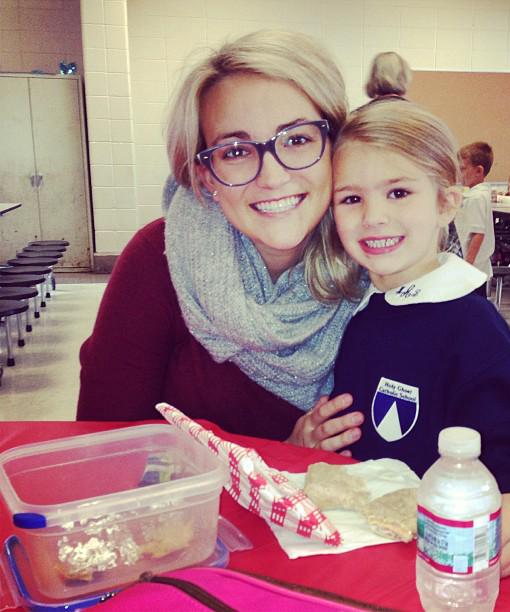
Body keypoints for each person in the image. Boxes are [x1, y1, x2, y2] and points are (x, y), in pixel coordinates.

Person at [76, 30, 363, 450]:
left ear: (335, 145)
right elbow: (102, 448)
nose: (272, 176)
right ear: (206, 175)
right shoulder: (156, 261)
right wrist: (283, 457)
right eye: (235, 151)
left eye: (298, 139)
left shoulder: (372, 257)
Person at [323, 100, 510, 577]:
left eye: (398, 192)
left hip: (426, 561)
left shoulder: (473, 329)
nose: (373, 216)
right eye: (351, 199)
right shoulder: (356, 309)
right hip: (355, 546)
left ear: (447, 203)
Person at [454, 142, 495, 297]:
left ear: (479, 171)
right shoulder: (478, 195)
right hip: (478, 267)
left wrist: (467, 265)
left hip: (473, 268)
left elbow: (478, 234)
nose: (460, 174)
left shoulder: (476, 198)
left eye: (463, 169)